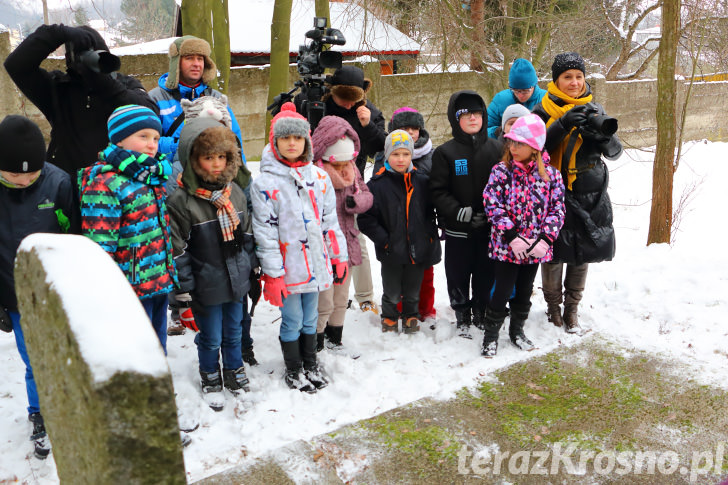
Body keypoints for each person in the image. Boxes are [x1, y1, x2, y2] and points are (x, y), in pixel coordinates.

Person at [251, 103, 347, 393]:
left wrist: (338, 256)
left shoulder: (318, 178)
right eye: (285, 138)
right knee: (292, 319)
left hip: (315, 264)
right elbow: (264, 232)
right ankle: (293, 369)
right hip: (288, 267)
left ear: (306, 140)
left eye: (297, 138)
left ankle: (310, 363)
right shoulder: (265, 184)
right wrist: (273, 274)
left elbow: (330, 220)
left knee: (310, 318)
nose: (292, 143)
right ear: (275, 141)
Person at [0, 115, 78, 459]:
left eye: (31, 173)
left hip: (55, 290)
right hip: (15, 294)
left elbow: (73, 236)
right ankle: (40, 412)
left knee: (65, 352)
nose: (24, 180)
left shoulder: (57, 184)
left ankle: (69, 404)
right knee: (34, 358)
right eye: (14, 174)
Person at [167, 117, 256, 412]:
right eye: (208, 157)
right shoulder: (182, 201)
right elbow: (177, 250)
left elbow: (247, 235)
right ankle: (210, 374)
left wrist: (251, 268)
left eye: (222, 156)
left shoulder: (236, 193)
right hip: (206, 285)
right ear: (193, 159)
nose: (216, 164)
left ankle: (233, 369)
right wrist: (185, 291)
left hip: (236, 281)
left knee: (234, 330)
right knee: (211, 336)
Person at [532, 52, 623, 333]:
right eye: (567, 77)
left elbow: (616, 152)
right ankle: (553, 308)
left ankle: (572, 309)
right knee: (553, 251)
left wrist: (603, 136)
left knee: (582, 253)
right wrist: (562, 124)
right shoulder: (541, 110)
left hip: (589, 194)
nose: (574, 82)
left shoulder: (595, 109)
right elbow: (532, 149)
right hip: (552, 191)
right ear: (556, 80)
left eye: (578, 76)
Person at [79, 105, 177, 352]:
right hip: (129, 285)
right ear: (119, 140)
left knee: (157, 344)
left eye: (155, 137)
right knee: (137, 349)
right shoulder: (105, 184)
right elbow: (100, 246)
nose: (152, 144)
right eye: (143, 136)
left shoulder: (151, 176)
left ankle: (160, 387)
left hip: (157, 278)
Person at [4, 24, 157, 177]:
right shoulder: (58, 88)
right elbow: (17, 65)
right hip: (66, 188)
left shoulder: (124, 85)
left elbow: (151, 114)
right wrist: (56, 34)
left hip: (115, 188)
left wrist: (105, 85)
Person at [482, 114, 565, 357]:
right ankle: (490, 336)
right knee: (502, 290)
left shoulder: (551, 176)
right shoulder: (501, 171)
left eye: (519, 143)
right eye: (511, 142)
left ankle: (517, 331)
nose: (512, 148)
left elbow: (557, 209)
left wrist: (545, 240)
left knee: (525, 289)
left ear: (535, 147)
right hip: (507, 247)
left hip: (534, 249)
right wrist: (510, 235)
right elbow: (491, 203)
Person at [429, 90, 503, 339]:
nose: (473, 118)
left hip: (489, 229)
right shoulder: (445, 153)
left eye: (477, 113)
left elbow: (506, 187)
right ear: (455, 118)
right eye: (466, 114)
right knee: (458, 274)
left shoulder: (497, 149)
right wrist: (457, 211)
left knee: (486, 273)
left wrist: (493, 215)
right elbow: (438, 190)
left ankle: (481, 311)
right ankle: (462, 314)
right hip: (458, 229)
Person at [313, 65, 386, 316]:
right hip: (317, 182)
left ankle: (365, 296)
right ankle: (327, 295)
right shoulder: (316, 105)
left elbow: (381, 146)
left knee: (355, 237)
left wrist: (367, 125)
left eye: (351, 100)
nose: (346, 105)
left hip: (350, 181)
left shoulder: (367, 111)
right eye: (342, 99)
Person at [359, 130, 442, 333]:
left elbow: (432, 212)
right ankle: (389, 317)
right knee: (393, 291)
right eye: (395, 154)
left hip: (417, 248)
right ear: (387, 155)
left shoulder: (422, 182)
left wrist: (429, 237)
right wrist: (383, 240)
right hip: (391, 250)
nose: (401, 159)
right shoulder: (376, 186)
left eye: (405, 154)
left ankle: (410, 316)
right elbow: (366, 219)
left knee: (413, 290)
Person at [311, 115, 373, 351]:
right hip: (323, 245)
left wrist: (356, 201)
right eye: (336, 164)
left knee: (341, 295)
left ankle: (335, 335)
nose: (341, 169)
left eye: (344, 163)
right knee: (323, 298)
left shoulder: (352, 170)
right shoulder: (315, 173)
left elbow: (367, 195)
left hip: (347, 240)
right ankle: (316, 337)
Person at [373, 106, 438, 324]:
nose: (410, 132)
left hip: (419, 232)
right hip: (394, 233)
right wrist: (383, 236)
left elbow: (434, 199)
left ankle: (422, 311)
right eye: (404, 128)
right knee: (393, 280)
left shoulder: (430, 157)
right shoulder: (382, 165)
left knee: (422, 277)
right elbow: (374, 205)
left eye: (414, 128)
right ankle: (394, 313)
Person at [148, 36, 244, 163]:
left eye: (200, 59)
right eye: (189, 58)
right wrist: (184, 145)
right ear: (176, 63)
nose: (196, 64)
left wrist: (240, 178)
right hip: (168, 176)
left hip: (211, 176)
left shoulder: (216, 98)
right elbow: (145, 141)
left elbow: (235, 141)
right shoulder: (155, 98)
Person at [487, 58, 547, 139]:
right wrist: (498, 131)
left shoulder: (546, 100)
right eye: (515, 90)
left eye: (525, 91)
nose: (520, 95)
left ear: (534, 85)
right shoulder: (500, 99)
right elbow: (483, 130)